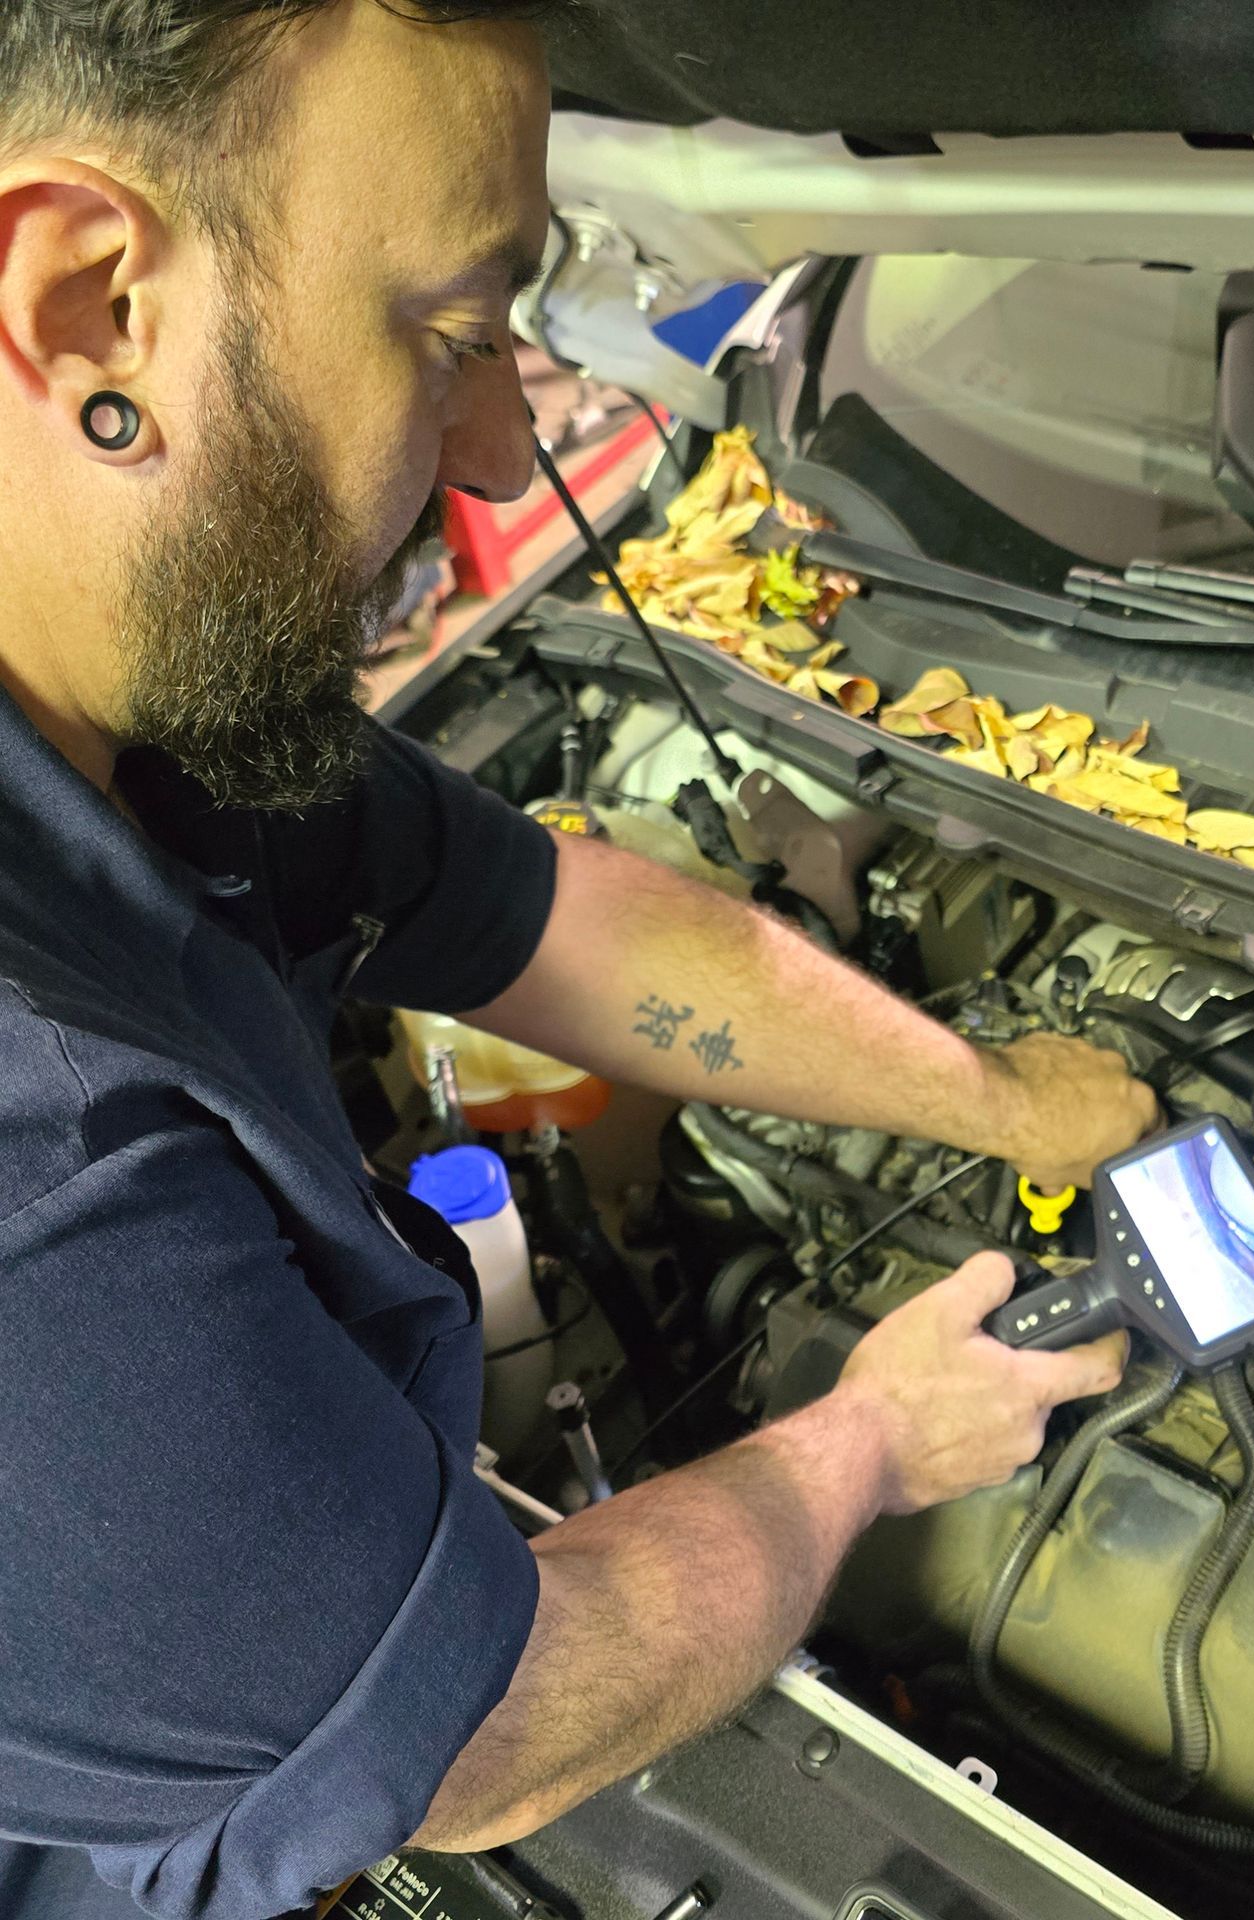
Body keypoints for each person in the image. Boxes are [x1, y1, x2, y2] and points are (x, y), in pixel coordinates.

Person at [0, 5, 1157, 1915]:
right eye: (455, 335)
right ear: (88, 305)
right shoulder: (32, 1148)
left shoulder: (144, 715)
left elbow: (543, 915)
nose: (494, 454)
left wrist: (1000, 1098)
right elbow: (485, 1737)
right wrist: (872, 1439)